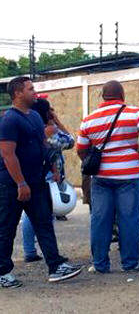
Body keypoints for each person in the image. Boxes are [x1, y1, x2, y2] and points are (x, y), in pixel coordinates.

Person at [0, 76, 83, 288]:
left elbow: (44, 146)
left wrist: (54, 168)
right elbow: (8, 154)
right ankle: (3, 272)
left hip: (37, 182)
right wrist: (20, 183)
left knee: (44, 223)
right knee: (6, 227)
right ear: (18, 93)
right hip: (13, 185)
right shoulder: (9, 120)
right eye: (30, 89)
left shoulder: (36, 118)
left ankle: (55, 266)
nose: (34, 92)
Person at [76, 81, 139, 274]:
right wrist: (138, 154)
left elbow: (81, 150)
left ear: (103, 96)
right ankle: (130, 263)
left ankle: (100, 264)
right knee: (129, 218)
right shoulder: (135, 113)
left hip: (100, 176)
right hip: (129, 174)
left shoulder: (89, 119)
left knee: (100, 219)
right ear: (122, 94)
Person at [21, 98, 74, 262]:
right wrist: (56, 120)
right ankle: (50, 254)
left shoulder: (29, 129)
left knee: (29, 215)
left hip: (32, 174)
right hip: (49, 176)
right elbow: (70, 141)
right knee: (45, 217)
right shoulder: (50, 131)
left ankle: (30, 250)